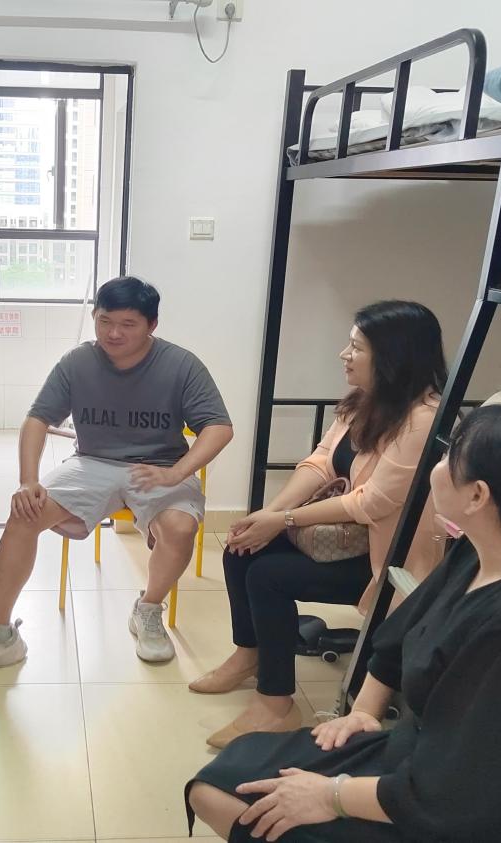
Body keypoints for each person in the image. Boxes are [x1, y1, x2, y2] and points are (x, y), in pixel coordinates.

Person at [186, 405, 501, 843]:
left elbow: (457, 794)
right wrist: (364, 712)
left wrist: (331, 795)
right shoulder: (486, 548)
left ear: (478, 496)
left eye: (449, 458)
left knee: (234, 799)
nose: (436, 465)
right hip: (437, 764)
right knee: (225, 776)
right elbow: (397, 639)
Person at [0, 276, 233, 683]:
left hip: (160, 465)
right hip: (92, 462)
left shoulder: (181, 364)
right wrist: (27, 480)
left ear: (151, 325)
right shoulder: (78, 362)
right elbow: (37, 419)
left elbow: (218, 427)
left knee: (180, 528)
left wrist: (177, 472)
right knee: (25, 512)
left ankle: (148, 609)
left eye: (128, 324)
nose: (113, 333)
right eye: (104, 321)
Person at [192, 301, 447, 749]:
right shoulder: (364, 402)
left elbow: (372, 501)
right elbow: (321, 462)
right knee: (241, 549)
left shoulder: (423, 419)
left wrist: (284, 519)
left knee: (268, 575)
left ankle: (276, 706)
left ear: (393, 356)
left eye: (357, 347)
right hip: (348, 539)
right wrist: (268, 517)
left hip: (386, 560)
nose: (344, 355)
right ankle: (250, 655)